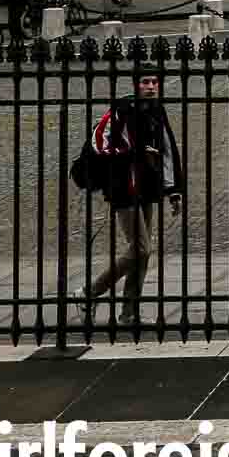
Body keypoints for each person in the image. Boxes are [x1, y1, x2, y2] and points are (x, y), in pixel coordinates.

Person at [75, 69, 185, 326]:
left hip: (146, 186)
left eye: (154, 82)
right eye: (145, 82)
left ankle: (129, 313)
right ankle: (89, 293)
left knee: (142, 252)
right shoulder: (123, 110)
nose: (150, 86)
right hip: (124, 188)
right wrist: (134, 154)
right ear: (136, 85)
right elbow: (102, 146)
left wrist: (173, 190)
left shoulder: (157, 110)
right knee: (141, 248)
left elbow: (168, 149)